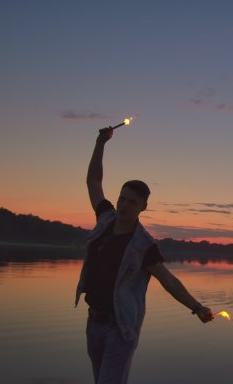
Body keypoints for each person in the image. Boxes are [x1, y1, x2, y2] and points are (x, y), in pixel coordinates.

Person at [75, 126, 214, 384]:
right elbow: (93, 182)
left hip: (121, 327)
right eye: (123, 198)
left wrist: (197, 307)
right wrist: (100, 143)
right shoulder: (105, 219)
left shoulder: (143, 245)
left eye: (132, 202)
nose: (125, 205)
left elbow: (169, 281)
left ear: (143, 207)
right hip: (94, 322)